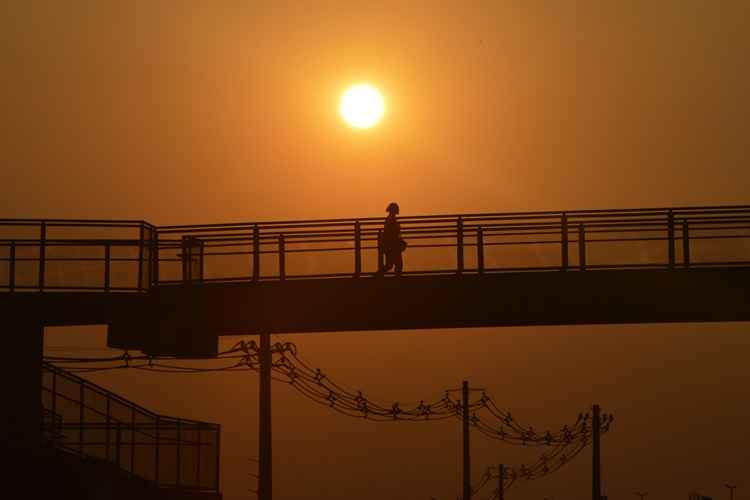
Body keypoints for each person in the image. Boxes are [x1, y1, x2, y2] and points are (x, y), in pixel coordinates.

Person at [376, 202, 406, 276]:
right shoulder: (391, 219)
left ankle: (377, 276)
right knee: (397, 264)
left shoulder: (389, 219)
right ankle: (378, 276)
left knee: (390, 265)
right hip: (393, 245)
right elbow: (392, 233)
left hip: (390, 245)